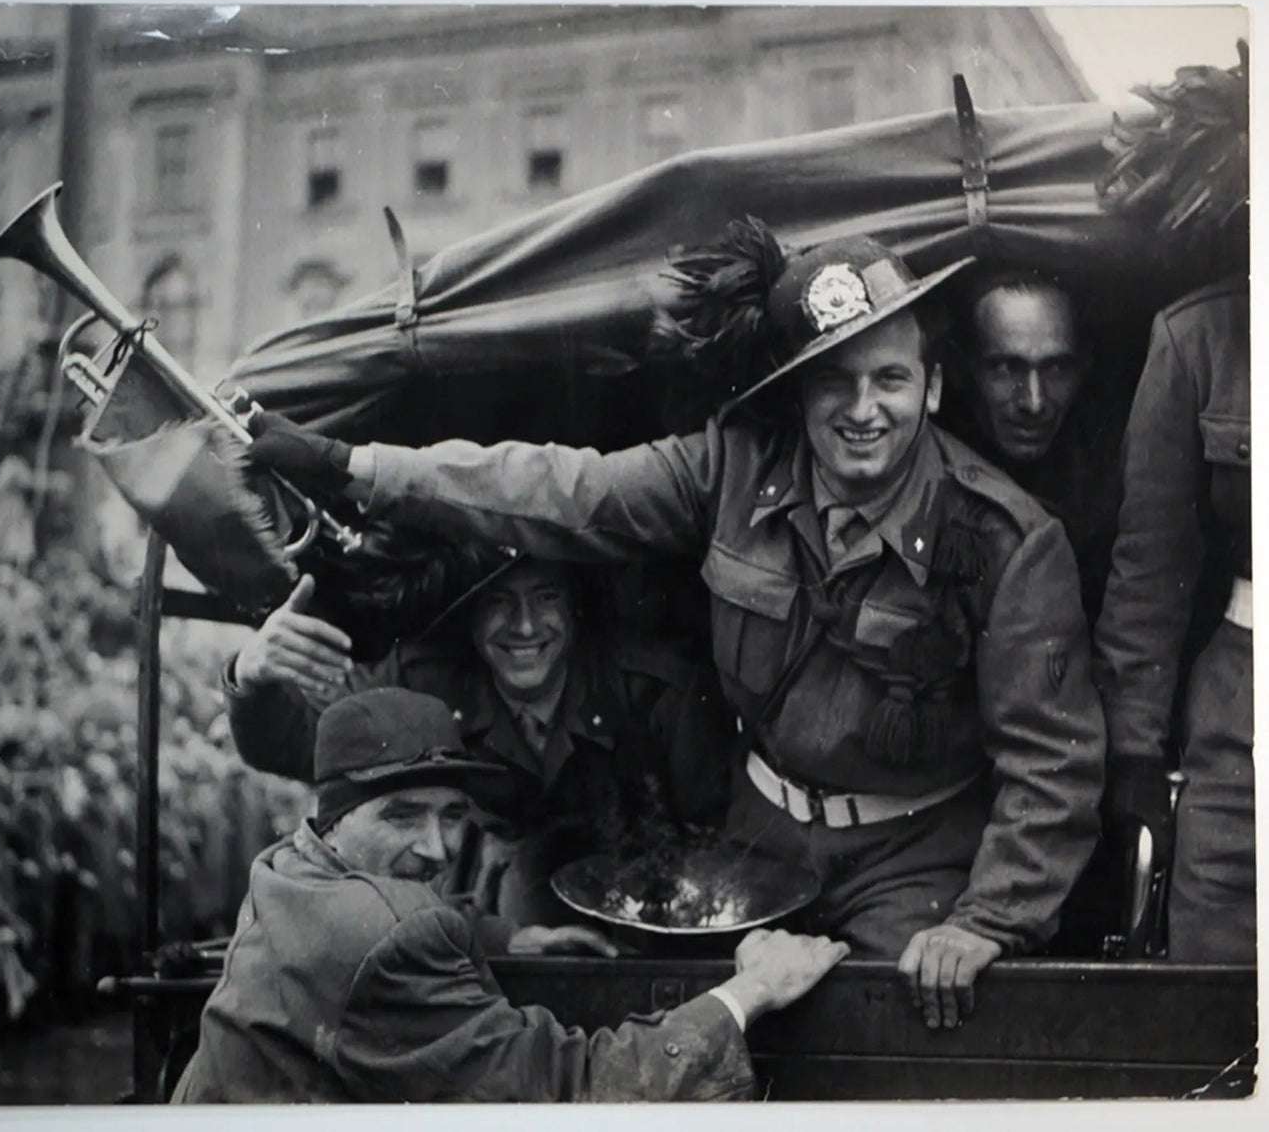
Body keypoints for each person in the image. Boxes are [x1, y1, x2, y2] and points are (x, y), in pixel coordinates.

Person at [246, 226, 1106, 1029]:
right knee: (707, 1037)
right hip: (756, 843)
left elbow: (1051, 763)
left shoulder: (1007, 539)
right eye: (834, 381)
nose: (862, 409)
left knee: (858, 1043)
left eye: (889, 379)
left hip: (912, 861)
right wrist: (357, 471)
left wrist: (986, 920)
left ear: (934, 386)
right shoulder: (733, 466)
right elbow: (565, 490)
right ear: (798, 390)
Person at [172, 687, 848, 1103]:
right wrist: (749, 990)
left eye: (451, 816)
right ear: (335, 817)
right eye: (402, 815)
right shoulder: (390, 932)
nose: (436, 849)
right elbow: (572, 1088)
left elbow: (384, 932)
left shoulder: (288, 866)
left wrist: (508, 937)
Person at [223, 554, 734, 922]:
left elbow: (711, 838)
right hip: (489, 900)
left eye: (546, 596)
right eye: (499, 601)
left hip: (642, 901)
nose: (526, 625)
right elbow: (300, 748)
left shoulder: (655, 687)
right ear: (469, 618)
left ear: (576, 608)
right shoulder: (422, 678)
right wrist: (250, 676)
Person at [1093, 45, 1252, 963]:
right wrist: (1134, 758)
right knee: (1216, 978)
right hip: (1242, 704)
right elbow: (1147, 573)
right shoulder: (1196, 339)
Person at [939, 271, 1121, 623]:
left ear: (1084, 366)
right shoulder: (925, 475)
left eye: (1056, 367)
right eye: (1007, 368)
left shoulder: (1111, 481)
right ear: (960, 369)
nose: (1034, 402)